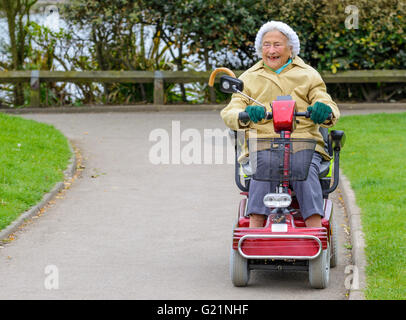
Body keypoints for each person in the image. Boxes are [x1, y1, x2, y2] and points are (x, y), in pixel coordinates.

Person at [220, 21, 340, 228]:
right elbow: (230, 111)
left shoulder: (308, 74)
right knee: (263, 167)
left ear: (290, 48)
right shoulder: (248, 77)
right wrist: (245, 114)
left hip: (303, 141)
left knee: (302, 167)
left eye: (277, 44)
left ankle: (314, 228)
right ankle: (255, 226)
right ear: (260, 49)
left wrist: (323, 109)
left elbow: (325, 101)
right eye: (266, 45)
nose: (271, 50)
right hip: (264, 142)